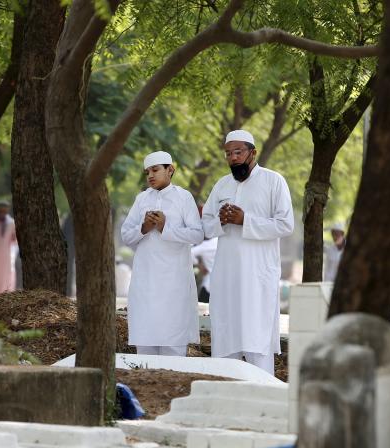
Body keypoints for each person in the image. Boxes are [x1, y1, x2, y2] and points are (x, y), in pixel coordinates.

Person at [201, 130, 294, 375]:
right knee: (226, 337)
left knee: (257, 337)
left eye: (238, 152)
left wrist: (246, 220)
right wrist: (221, 221)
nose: (233, 157)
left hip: (258, 275)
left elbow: (285, 224)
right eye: (228, 153)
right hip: (226, 275)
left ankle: (264, 397)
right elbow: (206, 224)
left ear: (253, 152)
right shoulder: (222, 184)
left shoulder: (274, 181)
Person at [121, 151, 203, 356]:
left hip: (174, 282)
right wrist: (144, 228)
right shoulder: (142, 199)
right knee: (145, 341)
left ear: (170, 170)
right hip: (145, 280)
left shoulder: (183, 197)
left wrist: (166, 227)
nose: (150, 175)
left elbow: (197, 234)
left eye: (155, 170)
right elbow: (126, 235)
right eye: (147, 171)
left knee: (173, 339)